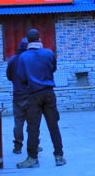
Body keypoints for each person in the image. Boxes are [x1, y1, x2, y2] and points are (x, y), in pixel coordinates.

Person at [12, 28, 65, 167]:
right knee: (53, 125)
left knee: (33, 127)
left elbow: (21, 78)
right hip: (49, 93)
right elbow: (53, 69)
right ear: (40, 40)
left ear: (27, 41)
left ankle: (32, 158)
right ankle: (59, 156)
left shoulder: (23, 57)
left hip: (33, 95)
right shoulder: (49, 53)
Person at [6, 37, 29, 154]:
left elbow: (9, 77)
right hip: (31, 96)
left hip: (18, 95)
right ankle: (35, 144)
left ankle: (18, 146)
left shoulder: (13, 60)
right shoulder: (31, 60)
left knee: (18, 122)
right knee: (33, 123)